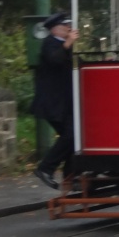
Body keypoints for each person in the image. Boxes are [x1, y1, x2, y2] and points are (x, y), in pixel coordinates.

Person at [30, 12, 79, 189]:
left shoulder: (64, 45)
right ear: (56, 29)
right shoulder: (50, 44)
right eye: (66, 26)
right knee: (71, 135)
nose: (69, 28)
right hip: (53, 104)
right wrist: (68, 44)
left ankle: (71, 176)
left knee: (75, 137)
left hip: (64, 103)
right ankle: (45, 168)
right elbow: (55, 60)